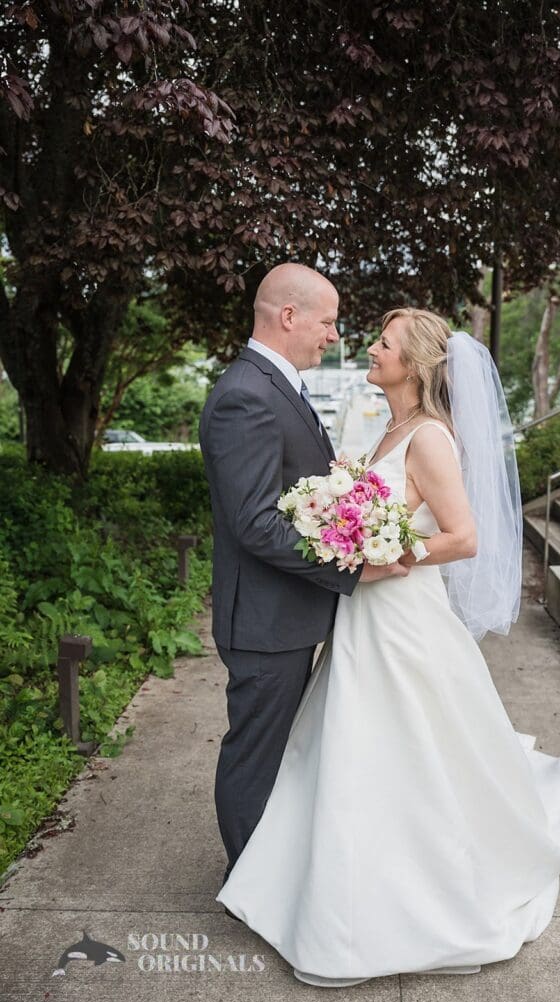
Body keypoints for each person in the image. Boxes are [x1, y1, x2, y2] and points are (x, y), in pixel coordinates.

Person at [215, 306, 560, 985]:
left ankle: (416, 883)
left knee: (407, 737)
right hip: (363, 611)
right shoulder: (390, 425)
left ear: (412, 364)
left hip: (402, 612)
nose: (369, 348)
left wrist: (387, 549)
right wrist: (348, 541)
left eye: (383, 343)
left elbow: (462, 536)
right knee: (354, 740)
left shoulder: (432, 438)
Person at [198, 264, 409, 904]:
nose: (333, 334)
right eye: (326, 321)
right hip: (264, 620)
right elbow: (256, 523)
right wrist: (356, 563)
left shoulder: (272, 386)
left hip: (285, 613)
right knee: (256, 753)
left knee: (277, 750)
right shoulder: (247, 394)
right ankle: (249, 885)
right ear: (289, 317)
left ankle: (268, 870)